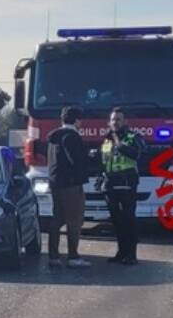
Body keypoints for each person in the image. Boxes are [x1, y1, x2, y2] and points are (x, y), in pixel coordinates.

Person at [46, 106, 91, 268]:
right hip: (71, 184)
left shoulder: (54, 137)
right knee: (74, 220)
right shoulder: (71, 136)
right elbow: (76, 161)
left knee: (57, 219)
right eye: (80, 120)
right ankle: (73, 256)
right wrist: (90, 159)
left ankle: (53, 255)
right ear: (77, 120)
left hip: (55, 182)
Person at [100, 107, 147, 265]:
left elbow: (136, 154)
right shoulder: (107, 139)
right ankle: (121, 253)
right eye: (113, 119)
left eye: (118, 119)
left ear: (125, 121)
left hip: (127, 183)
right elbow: (105, 160)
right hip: (111, 184)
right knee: (116, 221)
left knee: (129, 220)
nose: (115, 122)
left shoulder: (134, 136)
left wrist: (118, 143)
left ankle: (131, 255)